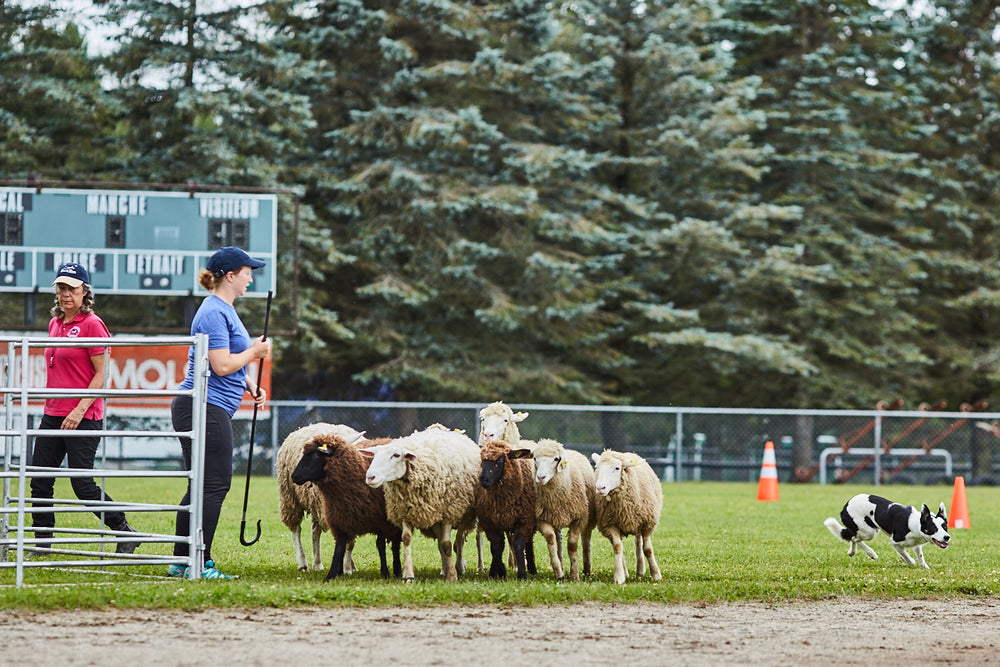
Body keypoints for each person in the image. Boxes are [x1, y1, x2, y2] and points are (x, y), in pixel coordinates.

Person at [167, 247, 270, 579]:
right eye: (247, 272)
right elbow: (222, 365)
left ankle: (182, 561)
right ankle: (201, 560)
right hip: (203, 407)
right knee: (214, 484)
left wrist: (250, 385)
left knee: (201, 485)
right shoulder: (214, 311)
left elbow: (224, 364)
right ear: (230, 276)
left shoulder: (223, 309)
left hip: (207, 405)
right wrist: (254, 351)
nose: (251, 277)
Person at [30, 262, 139, 554]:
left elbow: (103, 373)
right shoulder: (55, 324)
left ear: (84, 291)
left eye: (72, 288)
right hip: (52, 413)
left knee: (82, 483)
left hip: (83, 416)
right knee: (40, 480)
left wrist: (79, 409)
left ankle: (124, 530)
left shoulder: (92, 324)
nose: (66, 294)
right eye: (62, 288)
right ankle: (43, 542)